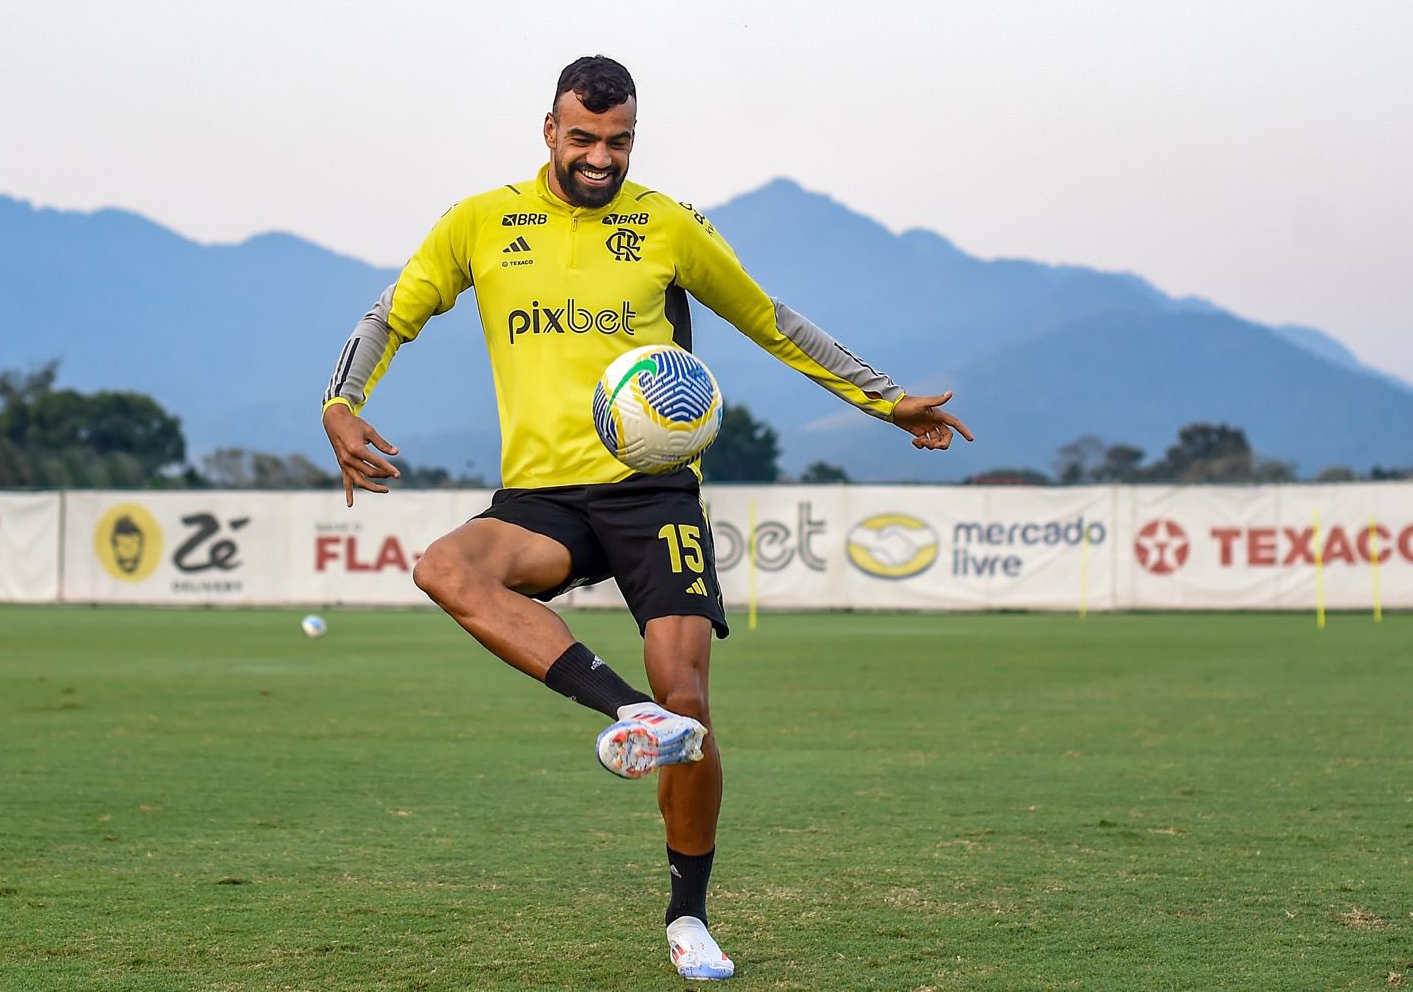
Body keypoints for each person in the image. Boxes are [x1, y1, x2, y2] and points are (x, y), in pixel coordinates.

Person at [320, 55, 972, 981]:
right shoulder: (480, 222)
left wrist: (886, 399)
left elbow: (770, 318)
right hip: (541, 497)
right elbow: (390, 314)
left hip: (654, 490)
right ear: (548, 129)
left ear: (634, 135)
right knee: (444, 567)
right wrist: (340, 404)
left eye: (617, 140)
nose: (599, 156)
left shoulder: (666, 223)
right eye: (582, 138)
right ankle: (626, 711)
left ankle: (688, 915)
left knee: (692, 704)